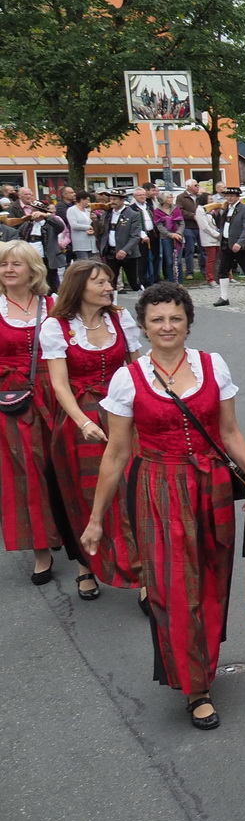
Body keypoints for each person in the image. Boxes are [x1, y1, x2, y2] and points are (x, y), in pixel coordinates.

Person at [83, 282, 245, 731]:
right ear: (143, 326)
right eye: (157, 319)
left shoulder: (212, 365)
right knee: (173, 587)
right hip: (159, 489)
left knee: (213, 581)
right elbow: (117, 453)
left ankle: (201, 659)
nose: (167, 326)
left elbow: (230, 433)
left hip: (213, 487)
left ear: (188, 323)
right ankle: (195, 685)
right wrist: (95, 519)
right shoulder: (128, 379)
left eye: (175, 318)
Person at [42, 260, 145, 601]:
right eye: (99, 282)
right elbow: (60, 385)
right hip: (81, 421)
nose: (108, 287)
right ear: (79, 287)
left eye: (109, 281)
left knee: (131, 490)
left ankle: (142, 572)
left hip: (122, 413)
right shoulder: (57, 326)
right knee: (83, 494)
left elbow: (138, 367)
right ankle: (86, 565)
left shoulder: (120, 318)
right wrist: (82, 421)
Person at [0, 242, 61, 583]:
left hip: (55, 393)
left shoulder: (52, 305)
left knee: (61, 466)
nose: (8, 270)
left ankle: (69, 533)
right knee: (26, 473)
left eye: (16, 264)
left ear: (33, 270)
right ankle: (40, 547)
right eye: (3, 264)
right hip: (12, 400)